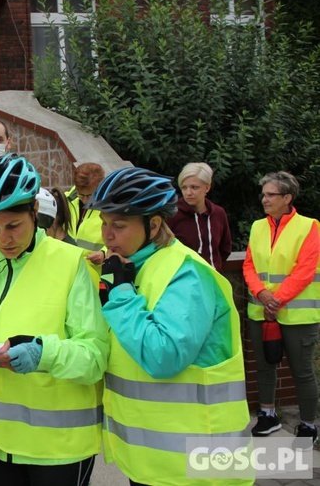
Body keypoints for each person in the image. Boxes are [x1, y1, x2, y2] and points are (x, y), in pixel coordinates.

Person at [0, 154, 109, 486]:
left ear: (34, 213)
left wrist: (43, 354)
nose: (3, 239)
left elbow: (95, 356)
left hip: (58, 446)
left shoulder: (73, 263)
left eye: (13, 226)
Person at [85, 167, 251, 486]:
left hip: (197, 464)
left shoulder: (187, 274)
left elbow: (164, 357)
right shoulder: (132, 264)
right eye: (104, 224)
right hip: (152, 460)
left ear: (155, 224)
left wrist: (120, 294)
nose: (106, 235)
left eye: (118, 225)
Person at [243, 171, 319, 445]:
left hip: (298, 316)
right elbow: (249, 265)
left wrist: (276, 300)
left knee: (301, 372)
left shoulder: (310, 226)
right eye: (263, 194)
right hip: (260, 312)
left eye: (270, 194)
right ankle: (268, 415)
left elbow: (305, 270)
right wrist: (262, 293)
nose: (264, 199)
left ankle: (308, 426)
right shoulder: (257, 226)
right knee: (264, 368)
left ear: (287, 198)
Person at [168, 162, 232, 273]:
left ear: (207, 187)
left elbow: (224, 249)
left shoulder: (218, 214)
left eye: (194, 187)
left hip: (213, 279)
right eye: (184, 187)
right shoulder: (172, 214)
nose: (188, 193)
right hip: (183, 281)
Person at [65, 162, 106, 266]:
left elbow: (120, 239)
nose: (85, 200)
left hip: (96, 273)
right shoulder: (66, 201)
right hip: (71, 268)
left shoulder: (110, 207)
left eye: (90, 195)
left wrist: (104, 253)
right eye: (81, 194)